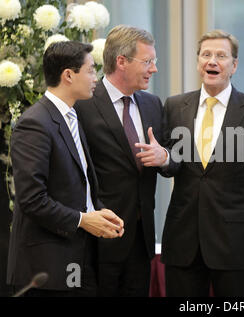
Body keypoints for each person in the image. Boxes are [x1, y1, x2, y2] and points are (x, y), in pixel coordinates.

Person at [138, 29, 244, 296]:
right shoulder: (175, 106)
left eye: (221, 56)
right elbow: (173, 164)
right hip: (183, 238)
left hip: (233, 240)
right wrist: (164, 158)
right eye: (206, 54)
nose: (212, 61)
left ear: (234, 65)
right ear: (198, 62)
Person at [7, 41, 124, 297]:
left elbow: (73, 185)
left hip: (78, 258)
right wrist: (84, 220)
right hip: (47, 268)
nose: (97, 77)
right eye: (91, 70)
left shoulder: (70, 116)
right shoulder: (35, 124)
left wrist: (97, 211)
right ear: (68, 75)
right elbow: (31, 198)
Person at [75, 25, 167, 297]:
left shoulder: (152, 104)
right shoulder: (83, 104)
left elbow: (174, 162)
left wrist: (164, 157)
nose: (154, 69)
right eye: (148, 61)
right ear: (121, 61)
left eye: (155, 61)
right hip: (98, 240)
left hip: (141, 239)